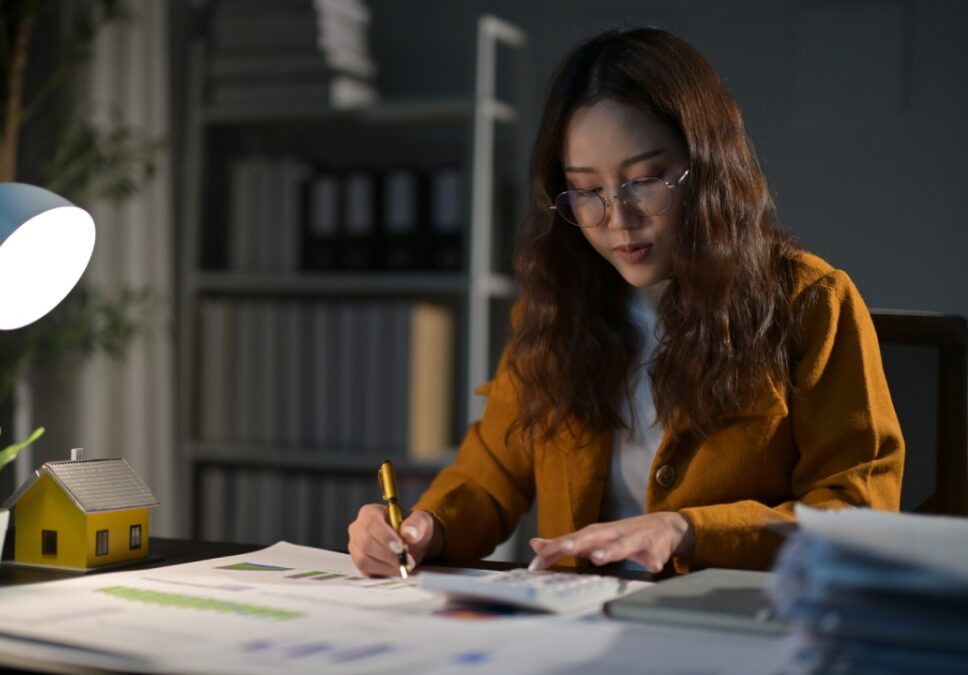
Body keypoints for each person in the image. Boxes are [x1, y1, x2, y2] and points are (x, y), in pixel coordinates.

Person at [347, 27, 904, 576]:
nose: (618, 218)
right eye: (587, 190)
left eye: (644, 180)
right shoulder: (557, 307)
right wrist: (424, 528)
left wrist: (685, 531)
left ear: (707, 166)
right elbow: (489, 475)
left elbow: (859, 514)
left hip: (736, 635)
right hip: (581, 629)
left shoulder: (811, 302)